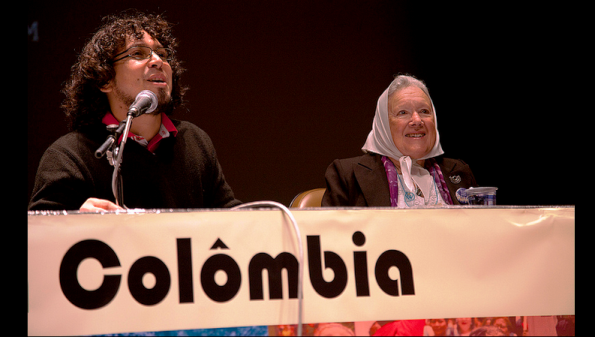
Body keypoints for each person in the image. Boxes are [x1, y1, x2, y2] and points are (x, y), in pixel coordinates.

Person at [28, 10, 241, 211]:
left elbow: (233, 220)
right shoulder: (70, 155)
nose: (158, 61)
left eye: (162, 54)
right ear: (105, 79)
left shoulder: (195, 142)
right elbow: (40, 236)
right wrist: (76, 223)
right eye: (138, 53)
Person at [322, 75, 477, 207]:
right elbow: (332, 237)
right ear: (384, 125)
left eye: (424, 111)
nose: (417, 120)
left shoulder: (459, 171)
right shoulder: (347, 174)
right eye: (403, 112)